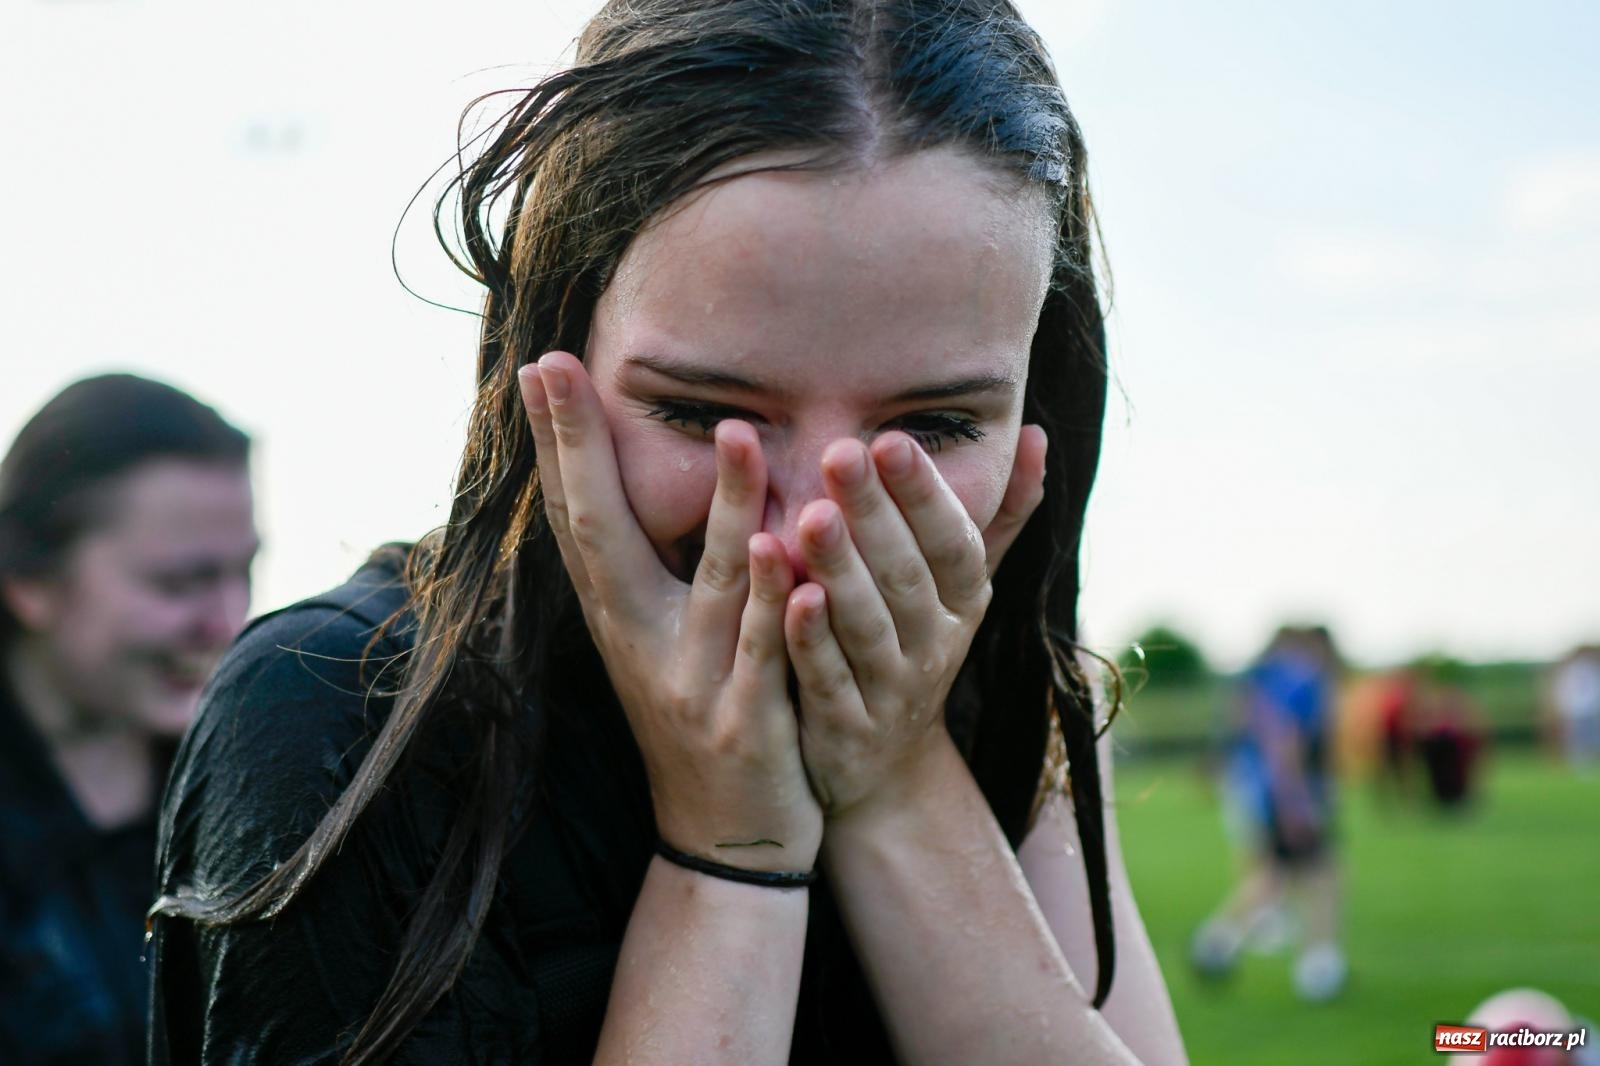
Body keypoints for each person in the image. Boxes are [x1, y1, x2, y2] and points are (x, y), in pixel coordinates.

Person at [147, 1, 1187, 1062]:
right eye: (705, 415)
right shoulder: (332, 720)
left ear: (1035, 414)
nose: (804, 533)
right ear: (550, 356)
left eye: (935, 424)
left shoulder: (1006, 695)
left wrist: (895, 770)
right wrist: (732, 857)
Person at [0, 374, 257, 1065]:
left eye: (244, 573)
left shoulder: (257, 782)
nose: (227, 623)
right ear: (29, 579)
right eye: (179, 582)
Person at [1190, 625, 1346, 1002]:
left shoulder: (1267, 676)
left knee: (1274, 877)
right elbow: (1283, 738)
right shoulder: (1303, 678)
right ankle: (1318, 968)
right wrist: (1295, 803)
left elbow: (1245, 725)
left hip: (1262, 791)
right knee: (1321, 876)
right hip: (1285, 795)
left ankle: (1217, 945)